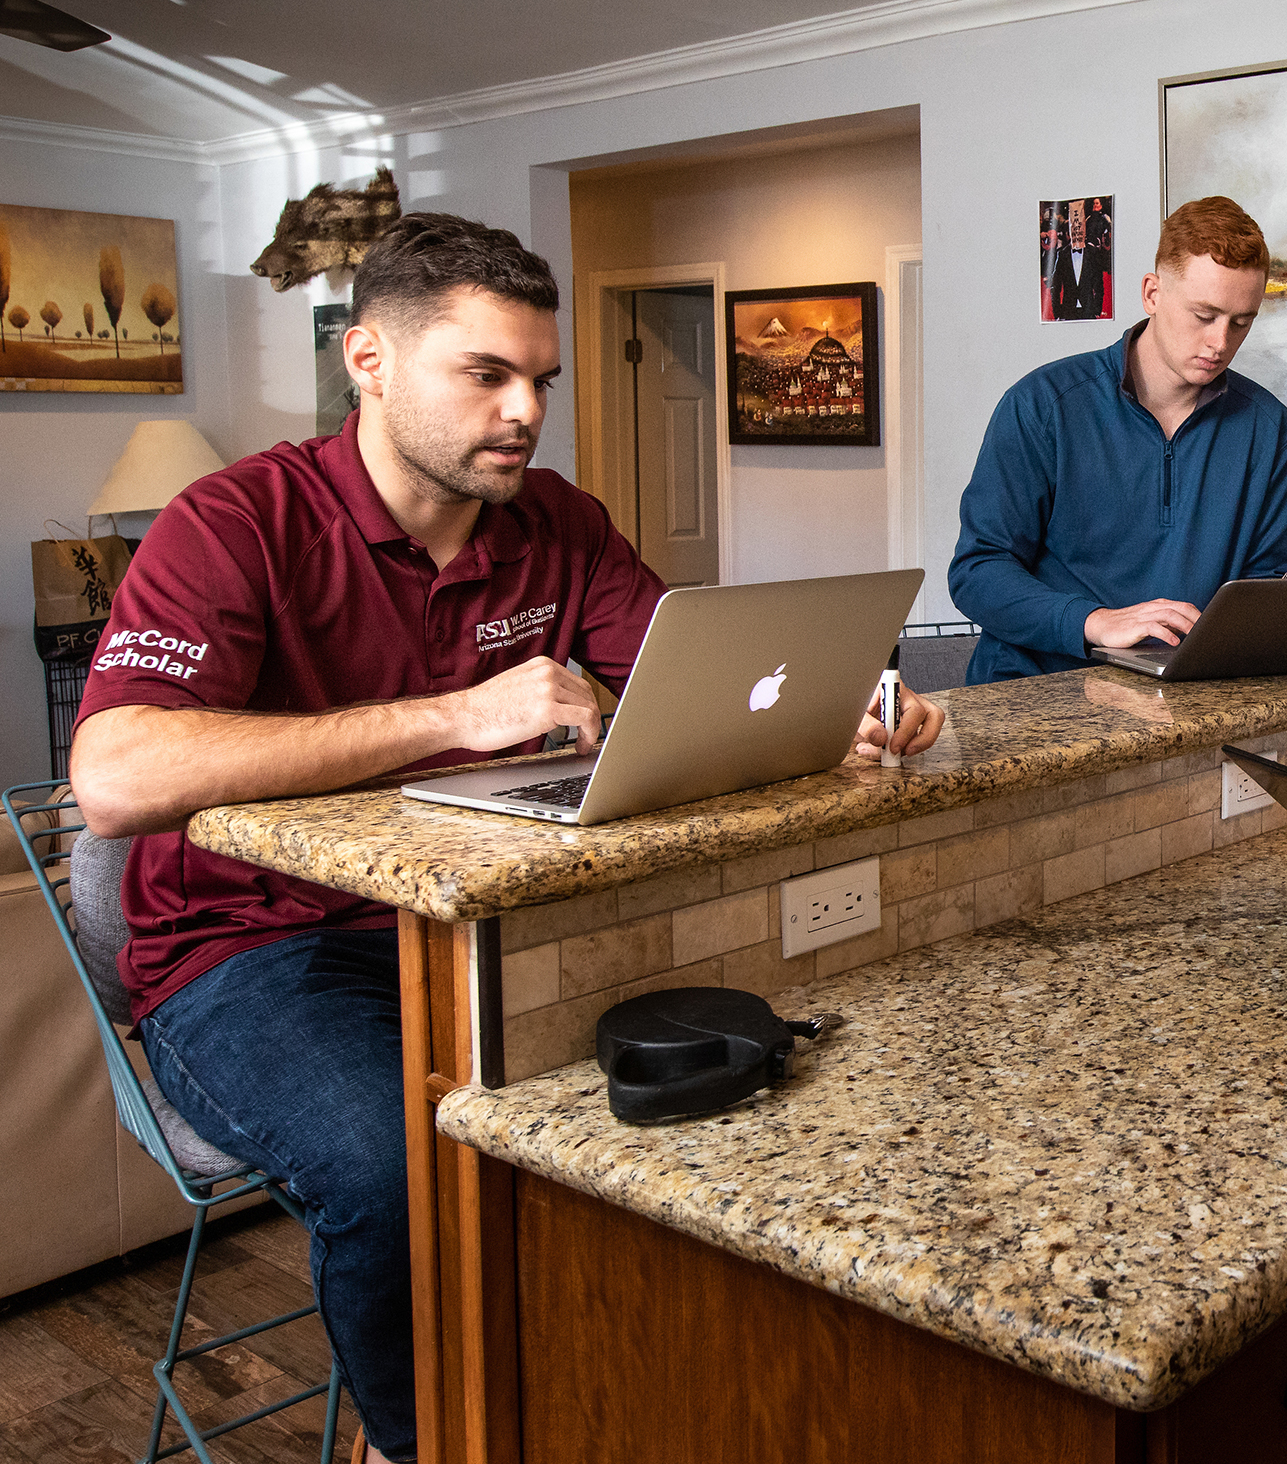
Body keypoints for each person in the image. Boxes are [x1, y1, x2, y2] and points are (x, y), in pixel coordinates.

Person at [68, 214, 944, 1464]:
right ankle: (421, 1441)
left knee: (717, 1083)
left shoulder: (559, 523)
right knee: (392, 1164)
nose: (525, 410)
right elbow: (112, 773)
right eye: (486, 375)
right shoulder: (234, 522)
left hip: (479, 920)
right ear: (368, 360)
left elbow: (693, 677)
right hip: (250, 952)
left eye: (540, 380)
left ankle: (603, 1393)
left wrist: (846, 708)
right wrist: (456, 716)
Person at [952, 194, 1287, 682]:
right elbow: (978, 572)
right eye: (1204, 315)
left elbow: (1259, 588)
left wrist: (1281, 602)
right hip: (1036, 690)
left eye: (1241, 322)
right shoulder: (1042, 405)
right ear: (1152, 294)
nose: (1220, 342)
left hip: (1184, 696)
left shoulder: (1269, 427)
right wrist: (1095, 622)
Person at [1048, 196, 1112, 321]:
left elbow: (1099, 284)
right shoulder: (1063, 254)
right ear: (1068, 234)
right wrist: (1057, 312)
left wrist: (1097, 309)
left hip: (1088, 310)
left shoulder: (1092, 252)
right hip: (1068, 311)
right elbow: (1055, 286)